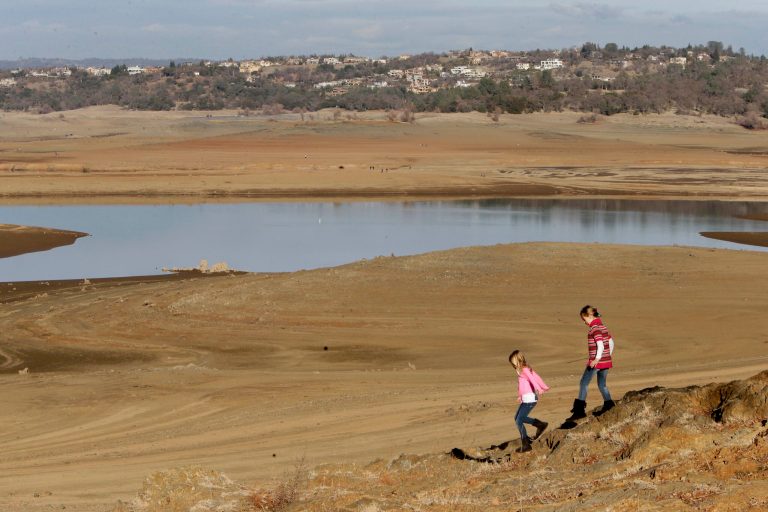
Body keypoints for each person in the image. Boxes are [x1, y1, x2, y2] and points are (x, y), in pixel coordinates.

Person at [567, 305, 615, 421]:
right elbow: (611, 342)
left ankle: (579, 411)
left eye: (584, 319)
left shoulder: (595, 328)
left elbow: (600, 344)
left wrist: (597, 359)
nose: (584, 322)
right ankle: (609, 405)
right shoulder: (603, 327)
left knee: (584, 383)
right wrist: (607, 356)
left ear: (589, 316)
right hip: (606, 361)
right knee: (602, 384)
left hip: (596, 363)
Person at [509, 350, 549, 453]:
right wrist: (520, 396)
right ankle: (537, 427)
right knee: (517, 418)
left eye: (514, 361)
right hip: (526, 399)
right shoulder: (520, 370)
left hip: (530, 399)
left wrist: (539, 389)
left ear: (519, 359)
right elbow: (523, 385)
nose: (513, 364)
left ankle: (527, 443)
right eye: (512, 362)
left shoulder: (524, 369)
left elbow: (533, 379)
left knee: (519, 420)